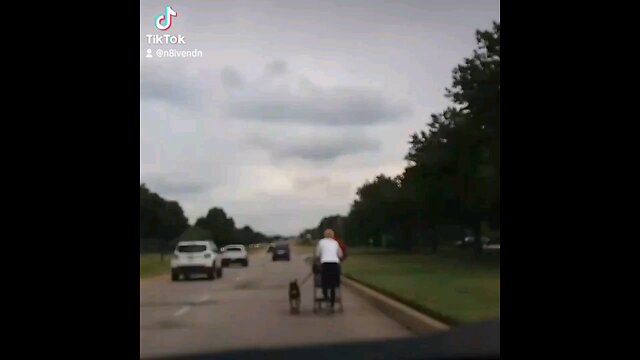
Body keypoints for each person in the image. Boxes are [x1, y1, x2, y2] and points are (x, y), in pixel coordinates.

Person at [315, 228, 343, 311]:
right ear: (332, 235)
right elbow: (340, 254)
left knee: (325, 283)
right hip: (335, 264)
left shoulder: (321, 242)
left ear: (324, 235)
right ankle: (332, 304)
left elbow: (317, 254)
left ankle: (326, 297)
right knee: (333, 285)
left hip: (325, 264)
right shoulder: (335, 243)